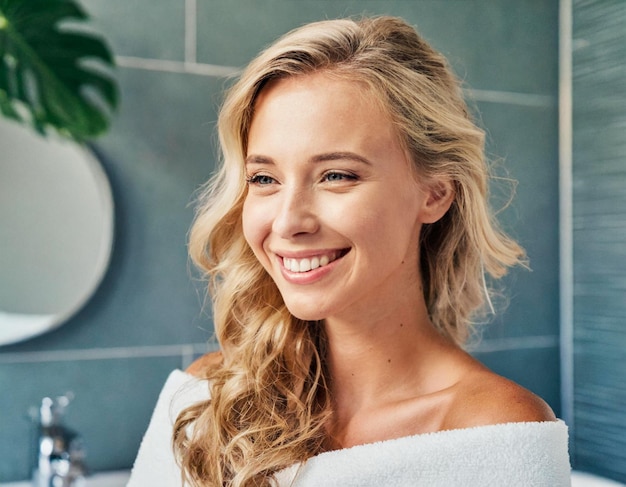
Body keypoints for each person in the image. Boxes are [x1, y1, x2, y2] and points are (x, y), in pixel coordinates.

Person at [127, 15, 570, 487]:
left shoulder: (497, 431)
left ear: (435, 192)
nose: (287, 221)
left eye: (337, 175)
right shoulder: (213, 396)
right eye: (264, 179)